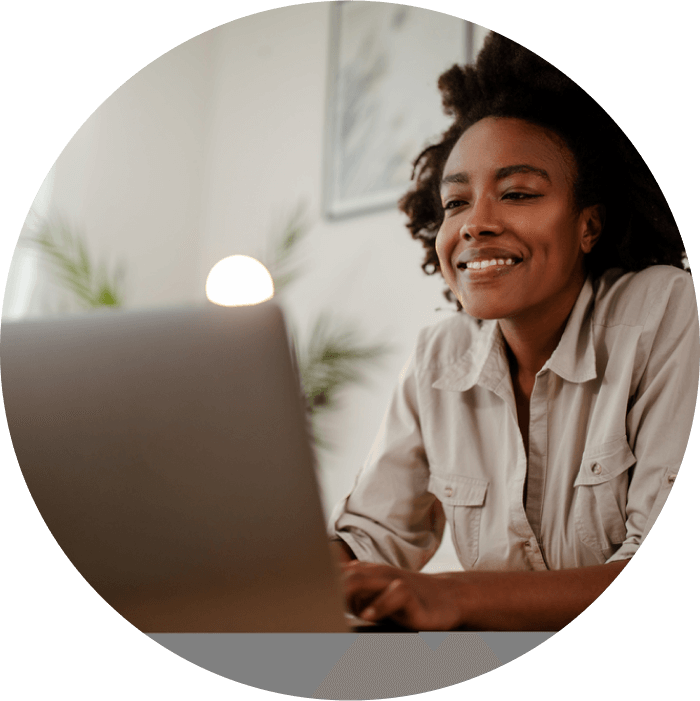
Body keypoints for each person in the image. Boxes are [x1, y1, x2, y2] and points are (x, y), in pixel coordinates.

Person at [327, 31, 698, 631]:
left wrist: (454, 595)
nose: (476, 225)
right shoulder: (438, 356)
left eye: (518, 193)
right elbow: (373, 537)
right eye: (455, 204)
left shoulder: (661, 312)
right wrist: (280, 576)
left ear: (590, 224)